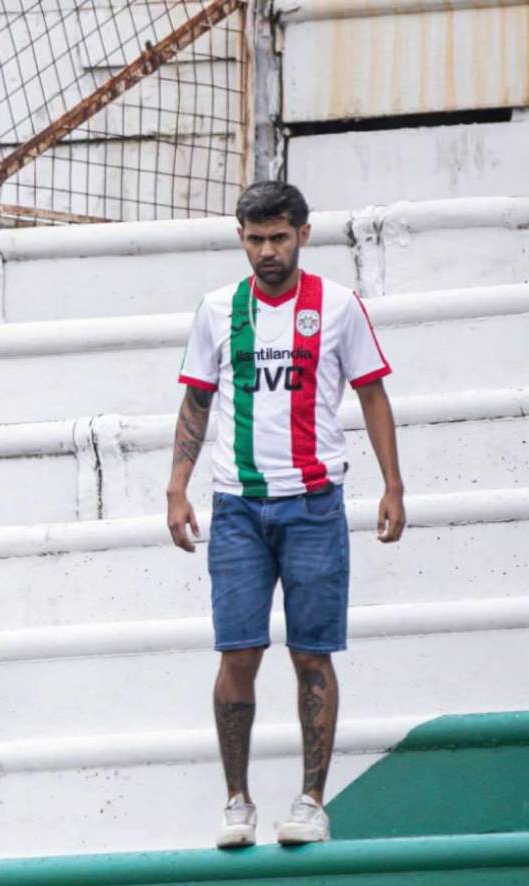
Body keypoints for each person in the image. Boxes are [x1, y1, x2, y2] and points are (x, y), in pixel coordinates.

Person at [166, 182, 406, 847]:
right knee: (238, 650)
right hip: (238, 505)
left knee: (311, 654)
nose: (266, 251)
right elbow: (196, 402)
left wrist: (394, 485)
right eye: (254, 239)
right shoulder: (217, 310)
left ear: (304, 233)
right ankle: (237, 801)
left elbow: (372, 394)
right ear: (239, 237)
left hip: (315, 502)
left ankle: (310, 800)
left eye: (278, 237)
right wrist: (176, 486)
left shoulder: (337, 306)